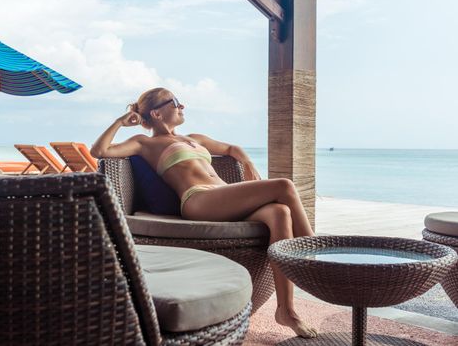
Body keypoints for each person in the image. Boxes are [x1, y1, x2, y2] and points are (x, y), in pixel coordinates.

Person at [91, 87, 318, 338]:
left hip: (223, 196)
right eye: (174, 102)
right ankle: (316, 257)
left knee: (280, 213)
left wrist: (248, 164)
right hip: (198, 199)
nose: (182, 106)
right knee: (284, 185)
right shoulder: (145, 143)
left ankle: (286, 310)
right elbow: (100, 151)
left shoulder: (194, 138)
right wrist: (120, 123)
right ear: (156, 113)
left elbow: (232, 148)